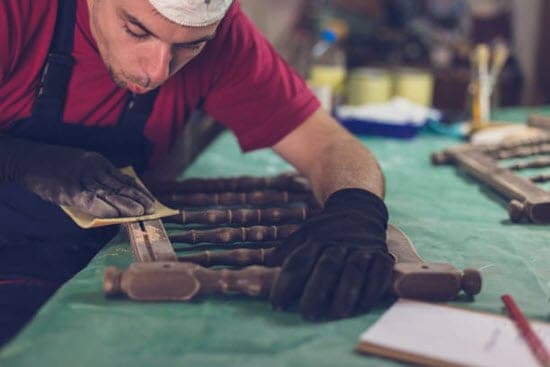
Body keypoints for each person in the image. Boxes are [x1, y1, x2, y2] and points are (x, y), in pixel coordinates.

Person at [0, 0, 393, 345]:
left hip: (87, 262)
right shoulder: (16, 12)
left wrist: (355, 210)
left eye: (190, 46)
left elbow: (328, 144)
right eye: (136, 30)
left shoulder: (226, 39)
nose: (156, 71)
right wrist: (17, 157)